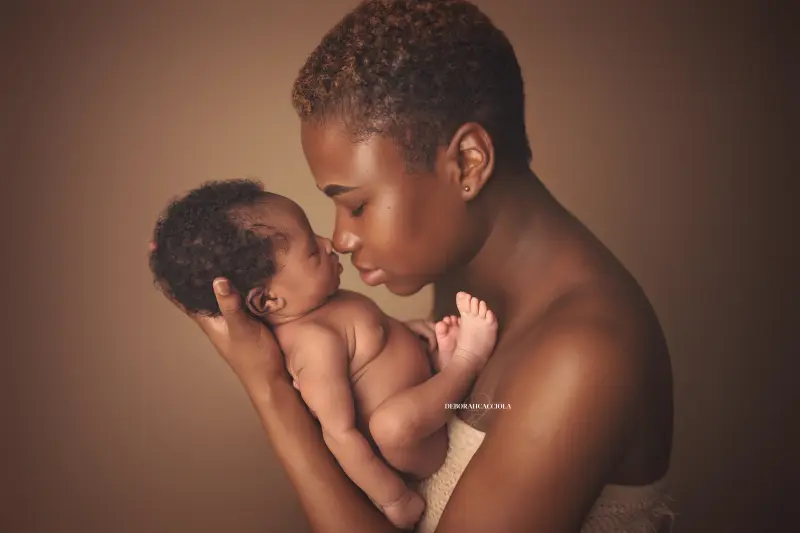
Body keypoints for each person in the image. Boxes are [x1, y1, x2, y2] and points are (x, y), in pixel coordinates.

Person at [155, 1, 675, 531]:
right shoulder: (462, 280)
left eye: (355, 204)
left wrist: (269, 392)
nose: (340, 237)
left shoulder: (583, 354)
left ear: (468, 162)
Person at [149, 179, 500, 529]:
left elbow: (372, 341)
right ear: (267, 300)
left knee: (410, 379)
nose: (330, 244)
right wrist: (393, 498)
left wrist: (410, 332)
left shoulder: (325, 303)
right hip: (415, 449)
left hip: (421, 397)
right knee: (391, 426)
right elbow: (340, 434)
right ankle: (468, 360)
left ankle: (437, 367)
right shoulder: (312, 344)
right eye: (313, 251)